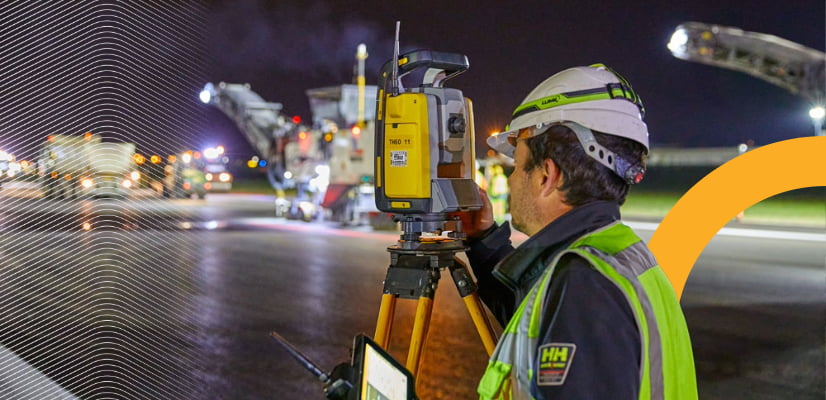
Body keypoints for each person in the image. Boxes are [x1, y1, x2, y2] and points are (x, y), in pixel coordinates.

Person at [465, 64, 698, 399]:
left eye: (515, 165)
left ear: (547, 175)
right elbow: (539, 317)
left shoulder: (586, 283)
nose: (511, 179)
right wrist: (483, 239)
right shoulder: (617, 257)